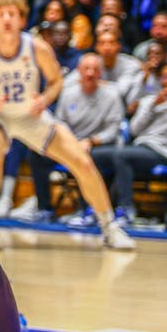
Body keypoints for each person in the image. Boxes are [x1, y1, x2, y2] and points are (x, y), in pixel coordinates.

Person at [0, 0, 133, 250]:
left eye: (12, 14)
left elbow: (56, 81)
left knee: (82, 162)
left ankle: (109, 227)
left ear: (22, 19)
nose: (6, 19)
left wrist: (44, 99)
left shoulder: (37, 46)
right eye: (0, 14)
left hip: (31, 115)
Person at [27, 54, 125, 225]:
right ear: (78, 71)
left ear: (100, 72)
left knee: (87, 159)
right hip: (72, 142)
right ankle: (45, 208)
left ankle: (89, 210)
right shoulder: (69, 93)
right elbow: (60, 122)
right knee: (37, 154)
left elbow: (113, 129)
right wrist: (71, 142)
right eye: (86, 69)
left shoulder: (112, 95)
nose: (90, 73)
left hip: (99, 145)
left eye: (94, 69)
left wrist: (91, 141)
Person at [100, 64, 167, 223]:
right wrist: (153, 106)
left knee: (122, 155)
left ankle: (126, 210)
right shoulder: (148, 100)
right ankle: (93, 209)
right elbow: (135, 130)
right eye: (166, 77)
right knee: (96, 155)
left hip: (165, 152)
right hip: (141, 148)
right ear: (159, 78)